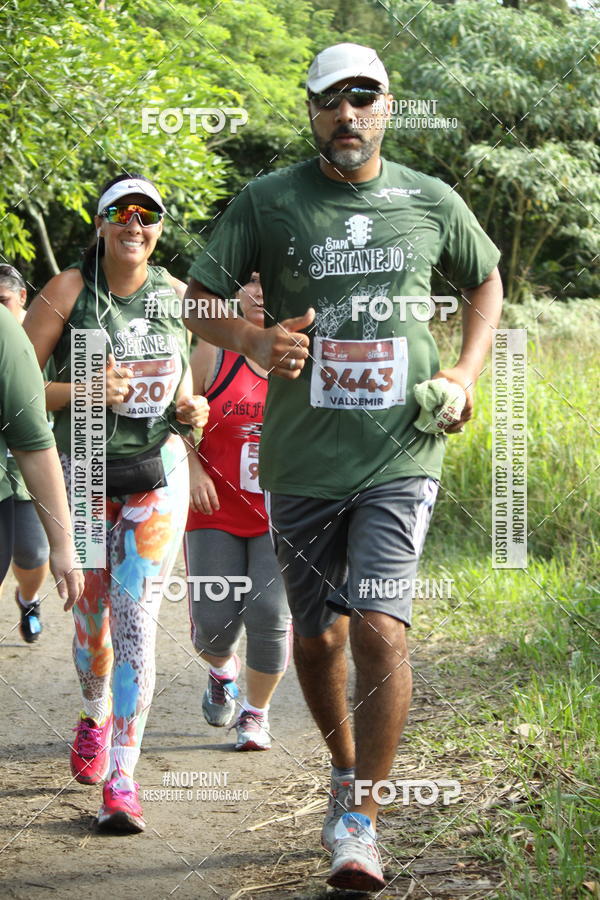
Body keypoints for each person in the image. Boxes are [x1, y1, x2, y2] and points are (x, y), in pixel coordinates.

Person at [183, 43, 503, 891]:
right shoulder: (269, 200)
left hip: (402, 451)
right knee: (319, 638)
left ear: (389, 106)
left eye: (365, 98)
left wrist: (463, 376)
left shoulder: (429, 199)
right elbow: (200, 297)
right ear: (313, 111)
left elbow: (488, 282)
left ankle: (361, 818)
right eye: (332, 100)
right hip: (300, 462)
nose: (348, 114)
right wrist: (253, 339)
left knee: (378, 626)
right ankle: (343, 768)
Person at [24, 173, 209, 835]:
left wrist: (194, 407)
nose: (136, 225)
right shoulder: (70, 291)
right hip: (85, 474)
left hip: (157, 476)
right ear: (101, 223)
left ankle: (123, 778)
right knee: (92, 620)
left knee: (135, 617)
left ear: (160, 226)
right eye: (122, 213)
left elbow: (184, 382)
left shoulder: (176, 297)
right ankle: (95, 714)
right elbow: (16, 391)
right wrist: (86, 389)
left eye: (149, 215)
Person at [184, 274, 291, 751]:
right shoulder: (212, 349)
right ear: (236, 295)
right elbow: (180, 414)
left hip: (281, 510)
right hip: (214, 506)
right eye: (251, 282)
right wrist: (192, 470)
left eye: (269, 282)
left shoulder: (302, 357)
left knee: (269, 613)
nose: (260, 292)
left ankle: (255, 713)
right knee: (214, 623)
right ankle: (221, 670)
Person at [0, 303, 82, 610]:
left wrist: (62, 544)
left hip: (18, 481)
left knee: (33, 552)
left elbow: (31, 440)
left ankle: (29, 599)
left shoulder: (5, 331)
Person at [0, 264, 53, 642]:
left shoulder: (45, 340)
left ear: (22, 298)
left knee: (33, 554)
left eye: (3, 301)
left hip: (32, 472)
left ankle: (29, 599)